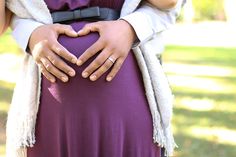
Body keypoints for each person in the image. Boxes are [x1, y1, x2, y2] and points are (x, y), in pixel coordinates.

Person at [5, 0, 185, 157]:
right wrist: (30, 34)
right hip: (48, 106)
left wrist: (130, 28)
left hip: (123, 97)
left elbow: (168, 3)